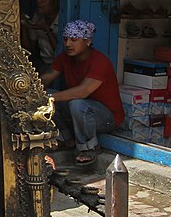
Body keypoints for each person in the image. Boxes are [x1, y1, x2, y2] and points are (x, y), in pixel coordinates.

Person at [41, 20, 124, 167]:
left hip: (107, 118)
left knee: (76, 102)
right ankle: (66, 139)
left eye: (74, 40)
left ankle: (89, 148)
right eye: (65, 39)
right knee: (45, 95)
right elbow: (47, 77)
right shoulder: (64, 58)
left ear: (87, 42)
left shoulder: (100, 62)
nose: (68, 44)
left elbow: (83, 91)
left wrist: (48, 98)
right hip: (81, 113)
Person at [20, 0, 60, 73]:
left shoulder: (63, 19)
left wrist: (47, 30)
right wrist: (24, 24)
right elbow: (29, 48)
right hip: (44, 64)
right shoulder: (37, 17)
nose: (39, 1)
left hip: (60, 65)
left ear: (56, 2)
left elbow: (61, 53)